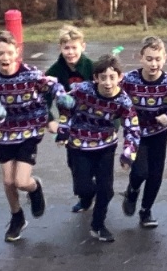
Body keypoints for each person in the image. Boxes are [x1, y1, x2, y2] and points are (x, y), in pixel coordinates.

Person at [0, 31, 61, 244]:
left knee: (21, 181)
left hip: (29, 128)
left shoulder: (30, 74)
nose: (5, 58)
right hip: (4, 132)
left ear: (17, 52)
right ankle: (17, 217)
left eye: (9, 52)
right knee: (8, 181)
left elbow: (53, 86)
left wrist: (61, 102)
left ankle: (35, 188)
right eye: (0, 53)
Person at [57, 55, 141, 243]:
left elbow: (133, 129)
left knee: (106, 190)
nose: (108, 83)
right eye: (103, 78)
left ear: (120, 77)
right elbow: (64, 104)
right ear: (95, 78)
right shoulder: (82, 90)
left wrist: (128, 155)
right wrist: (63, 130)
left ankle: (98, 225)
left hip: (105, 146)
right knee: (83, 187)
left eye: (112, 77)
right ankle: (86, 197)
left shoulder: (123, 101)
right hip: (79, 144)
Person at [120, 35, 167, 228]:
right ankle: (132, 190)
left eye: (157, 59)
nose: (154, 64)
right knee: (140, 172)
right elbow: (115, 98)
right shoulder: (129, 80)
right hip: (136, 132)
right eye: (149, 59)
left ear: (165, 58)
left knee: (155, 174)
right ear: (140, 58)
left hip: (158, 133)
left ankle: (146, 211)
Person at [47, 26, 97, 211]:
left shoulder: (92, 68)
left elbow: (110, 93)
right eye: (66, 48)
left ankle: (93, 189)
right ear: (60, 48)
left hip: (95, 122)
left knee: (94, 161)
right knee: (74, 163)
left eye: (74, 47)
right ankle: (85, 195)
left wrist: (113, 122)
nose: (70, 52)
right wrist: (50, 119)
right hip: (71, 124)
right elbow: (42, 96)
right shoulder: (55, 71)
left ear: (83, 46)